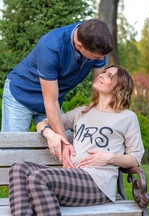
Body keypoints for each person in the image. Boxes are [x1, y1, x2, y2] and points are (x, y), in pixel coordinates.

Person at [9, 65, 145, 216]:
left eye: (109, 75)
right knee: (18, 168)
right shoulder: (82, 112)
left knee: (38, 178)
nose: (101, 75)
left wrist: (109, 157)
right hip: (72, 178)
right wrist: (50, 134)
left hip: (98, 183)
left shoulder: (127, 117)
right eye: (104, 72)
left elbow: (135, 158)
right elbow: (43, 123)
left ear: (119, 86)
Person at [1, 19, 113, 165]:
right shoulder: (51, 47)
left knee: (60, 149)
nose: (101, 59)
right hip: (21, 95)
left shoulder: (94, 41)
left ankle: (46, 184)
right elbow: (50, 102)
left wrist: (105, 114)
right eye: (97, 57)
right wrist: (64, 142)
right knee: (15, 152)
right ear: (80, 45)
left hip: (52, 98)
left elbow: (99, 87)